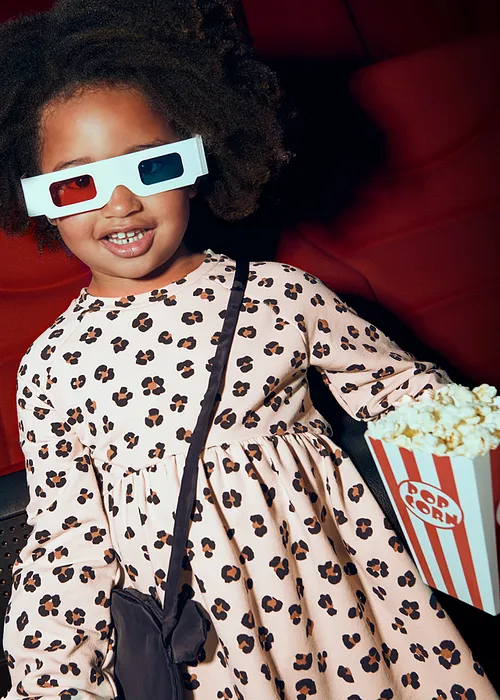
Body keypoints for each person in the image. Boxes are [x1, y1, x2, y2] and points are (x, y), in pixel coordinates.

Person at [1, 1, 497, 698]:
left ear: (198, 160)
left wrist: (473, 450)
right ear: (39, 199)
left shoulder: (281, 295)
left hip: (347, 614)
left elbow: (406, 397)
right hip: (210, 654)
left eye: (152, 166)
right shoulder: (53, 366)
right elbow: (66, 539)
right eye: (78, 182)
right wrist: (53, 679)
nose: (119, 204)